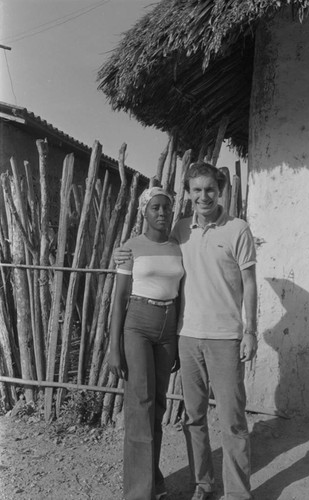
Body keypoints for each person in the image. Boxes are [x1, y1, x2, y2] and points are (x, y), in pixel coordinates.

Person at [115, 162, 258, 500]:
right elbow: (147, 248)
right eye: (197, 190)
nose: (204, 196)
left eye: (210, 189)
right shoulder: (182, 229)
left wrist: (251, 330)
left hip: (225, 337)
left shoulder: (238, 229)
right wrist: (122, 251)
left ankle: (238, 494)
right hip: (187, 337)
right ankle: (204, 486)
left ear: (220, 189)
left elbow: (250, 284)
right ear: (189, 194)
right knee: (193, 419)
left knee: (232, 420)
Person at [109, 186, 184, 500]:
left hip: (168, 329)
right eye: (155, 208)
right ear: (144, 211)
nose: (162, 213)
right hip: (138, 324)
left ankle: (152, 480)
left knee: (157, 408)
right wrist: (115, 348)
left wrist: (178, 338)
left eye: (166, 208)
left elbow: (181, 292)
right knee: (140, 406)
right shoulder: (130, 248)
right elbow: (120, 298)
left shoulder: (178, 246)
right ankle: (138, 494)